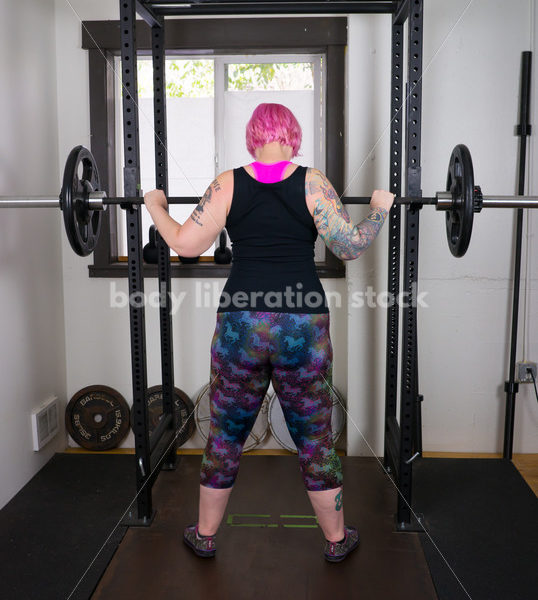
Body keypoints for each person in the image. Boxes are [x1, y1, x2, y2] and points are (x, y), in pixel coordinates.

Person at [144, 103, 394, 563]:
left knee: (226, 433)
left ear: (252, 136)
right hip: (303, 320)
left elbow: (183, 244)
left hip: (242, 322)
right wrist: (379, 209)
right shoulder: (313, 181)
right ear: (293, 136)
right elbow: (349, 246)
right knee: (314, 436)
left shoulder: (228, 182)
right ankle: (337, 540)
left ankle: (205, 535)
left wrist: (154, 204)